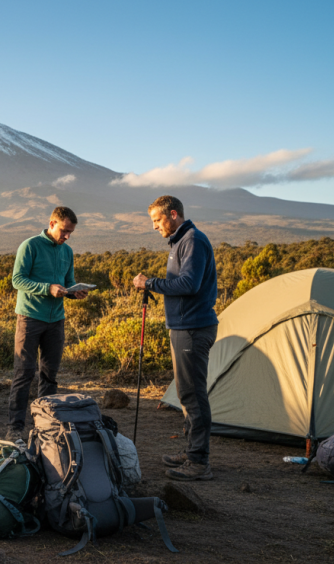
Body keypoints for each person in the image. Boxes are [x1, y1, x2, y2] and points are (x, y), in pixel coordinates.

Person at [132, 195, 218, 481]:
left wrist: (150, 283)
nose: (155, 227)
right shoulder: (181, 242)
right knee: (186, 393)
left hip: (192, 328)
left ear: (173, 214)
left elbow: (189, 285)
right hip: (185, 326)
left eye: (157, 221)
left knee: (193, 394)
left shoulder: (191, 240)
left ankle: (198, 462)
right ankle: (191, 452)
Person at [6, 206, 88, 440]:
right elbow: (17, 280)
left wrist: (74, 292)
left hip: (56, 321)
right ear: (51, 224)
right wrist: (47, 288)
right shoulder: (30, 246)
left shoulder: (67, 251)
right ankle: (15, 428)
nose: (67, 236)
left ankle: (46, 424)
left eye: (71, 232)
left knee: (50, 375)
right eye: (64, 231)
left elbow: (68, 282)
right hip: (30, 318)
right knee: (24, 373)